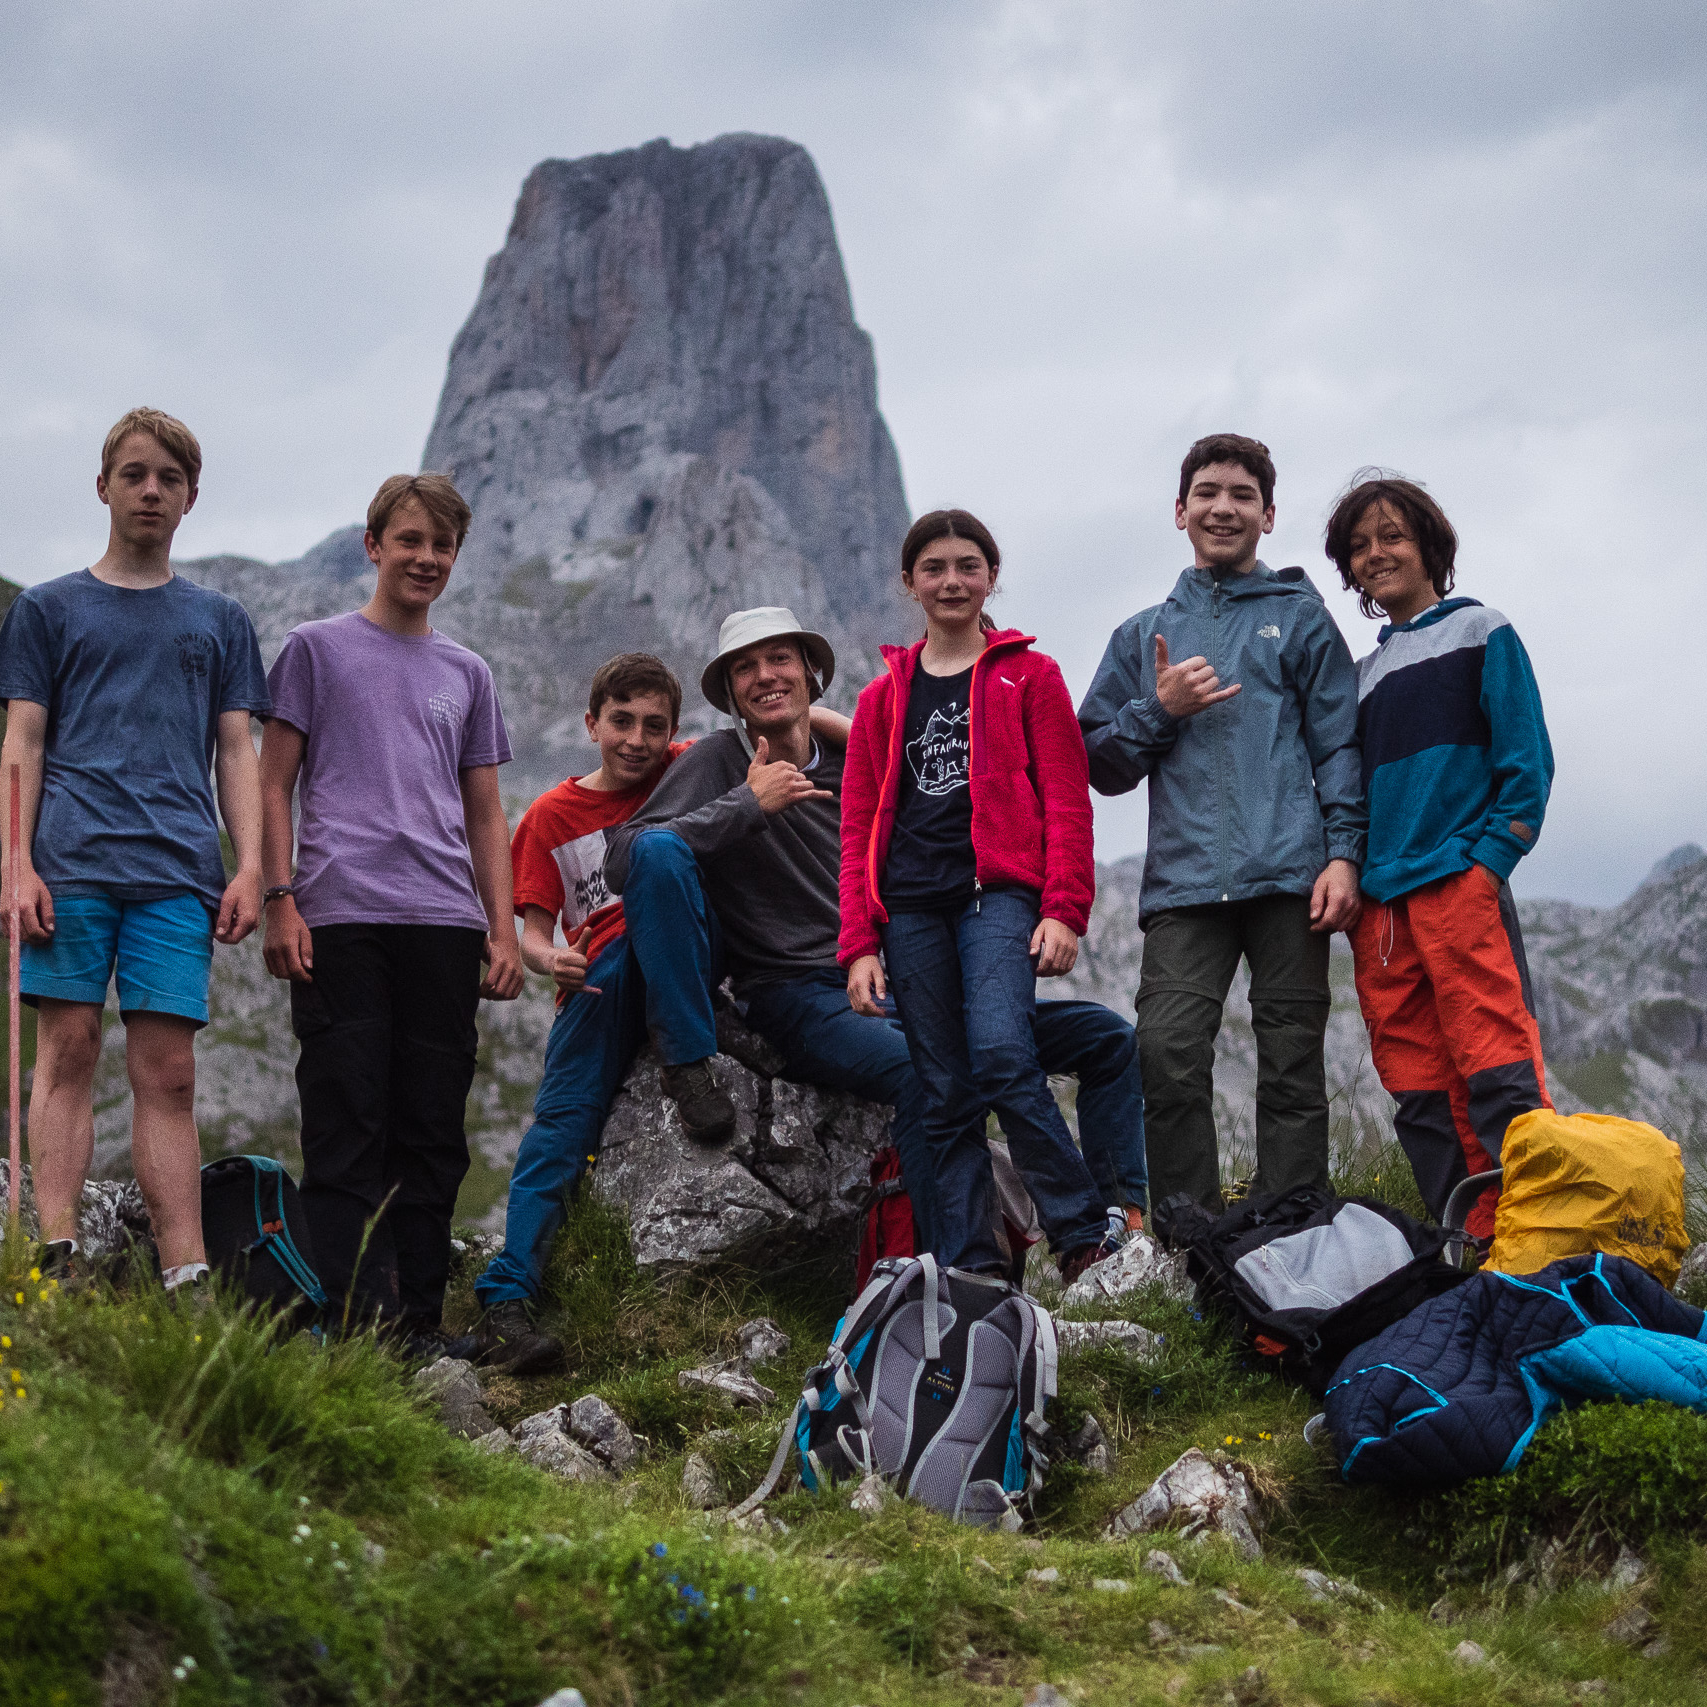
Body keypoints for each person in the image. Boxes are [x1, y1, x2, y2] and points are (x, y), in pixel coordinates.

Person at [601, 607, 1145, 1270]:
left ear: (810, 673)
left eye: (780, 659)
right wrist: (747, 804)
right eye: (745, 666)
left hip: (905, 987)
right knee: (928, 1075)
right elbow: (629, 857)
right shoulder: (719, 760)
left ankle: (1120, 1226)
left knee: (1106, 1037)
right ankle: (960, 1265)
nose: (764, 675)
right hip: (799, 996)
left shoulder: (865, 762)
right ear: (729, 692)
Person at [0, 406, 269, 1292]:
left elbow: (237, 748)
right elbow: (23, 743)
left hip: (176, 873)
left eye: (169, 478)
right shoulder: (46, 609)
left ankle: (184, 1273)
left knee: (171, 1072)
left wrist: (251, 865)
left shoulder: (220, 620)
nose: (151, 490)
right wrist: (17, 863)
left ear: (191, 497)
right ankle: (59, 1254)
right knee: (66, 1052)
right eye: (135, 474)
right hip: (69, 867)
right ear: (105, 486)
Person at [260, 473, 523, 1356]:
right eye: (408, 540)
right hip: (339, 917)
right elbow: (273, 782)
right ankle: (354, 1323)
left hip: (445, 924)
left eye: (441, 545)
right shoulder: (314, 649)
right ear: (373, 545)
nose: (425, 558)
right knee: (347, 1119)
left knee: (431, 1126)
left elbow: (486, 812)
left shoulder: (469, 673)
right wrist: (278, 897)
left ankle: (419, 1326)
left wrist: (503, 927)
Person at [1078, 433, 1366, 1211]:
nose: (1223, 506)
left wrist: (1342, 855)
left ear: (1268, 516)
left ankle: (1293, 1226)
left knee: (1291, 1066)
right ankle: (1192, 1244)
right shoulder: (1141, 636)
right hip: (1183, 888)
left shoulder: (1301, 620)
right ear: (1179, 511)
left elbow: (1338, 746)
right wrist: (1157, 709)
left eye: (1242, 495)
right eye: (1207, 492)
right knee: (1166, 1056)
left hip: (1290, 880)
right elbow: (1096, 763)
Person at [841, 509, 1119, 1284]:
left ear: (991, 577)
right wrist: (859, 943)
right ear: (909, 583)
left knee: (1000, 1049)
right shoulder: (879, 701)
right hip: (910, 909)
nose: (952, 580)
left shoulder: (1029, 675)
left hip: (995, 896)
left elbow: (1067, 800)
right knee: (942, 1089)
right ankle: (972, 1266)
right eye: (934, 567)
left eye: (968, 565)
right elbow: (857, 825)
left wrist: (1063, 908)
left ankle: (1080, 1232)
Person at [1325, 473, 1553, 1239]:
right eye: (1358, 547)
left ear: (1428, 545)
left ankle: (1533, 1232)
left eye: (1390, 536)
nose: (1375, 554)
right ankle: (1465, 1238)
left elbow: (1526, 765)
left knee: (1492, 1057)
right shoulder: (1360, 678)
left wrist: (1487, 866)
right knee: (1415, 1081)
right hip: (1381, 910)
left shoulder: (1482, 630)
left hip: (1457, 883)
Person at [458, 653, 689, 1372]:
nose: (636, 739)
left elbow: (791, 732)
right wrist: (549, 958)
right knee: (559, 1127)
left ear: (674, 733)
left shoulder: (686, 773)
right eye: (621, 721)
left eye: (655, 725)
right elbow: (531, 930)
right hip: (598, 977)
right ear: (591, 724)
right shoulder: (552, 816)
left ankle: (689, 1059)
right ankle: (507, 1301)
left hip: (684, 961)